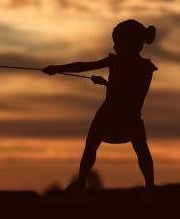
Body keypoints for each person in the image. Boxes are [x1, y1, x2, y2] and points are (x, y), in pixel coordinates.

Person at [42, 19, 158, 191]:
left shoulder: (143, 68)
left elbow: (131, 93)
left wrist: (105, 84)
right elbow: (84, 66)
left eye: (117, 43)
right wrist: (58, 68)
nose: (115, 47)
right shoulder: (141, 66)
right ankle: (148, 186)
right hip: (126, 115)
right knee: (138, 147)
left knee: (97, 145)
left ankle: (148, 185)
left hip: (120, 114)